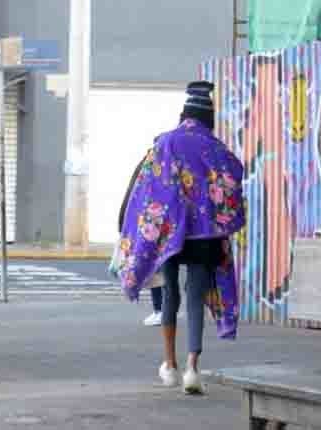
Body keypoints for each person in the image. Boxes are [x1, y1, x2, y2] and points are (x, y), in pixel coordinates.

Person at [115, 81, 245, 394]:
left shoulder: (165, 143)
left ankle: (169, 365)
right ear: (208, 117)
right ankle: (192, 369)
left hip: (169, 233)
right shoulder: (217, 149)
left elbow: (147, 187)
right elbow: (234, 178)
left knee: (170, 292)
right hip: (204, 236)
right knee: (196, 296)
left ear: (184, 114)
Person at [118, 151, 165, 327]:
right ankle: (161, 309)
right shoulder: (159, 162)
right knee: (158, 268)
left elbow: (134, 194)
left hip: (152, 223)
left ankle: (160, 310)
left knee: (154, 268)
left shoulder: (151, 162)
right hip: (155, 222)